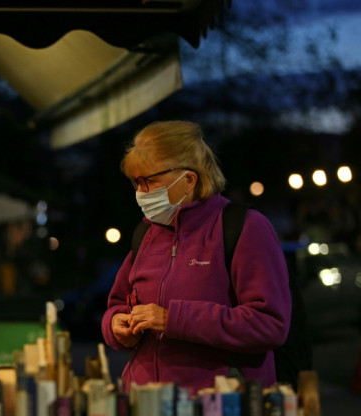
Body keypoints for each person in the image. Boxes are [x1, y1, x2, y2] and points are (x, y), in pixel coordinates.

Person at [101, 120, 291, 393]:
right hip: (144, 404)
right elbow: (117, 305)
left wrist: (173, 319)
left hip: (218, 408)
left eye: (150, 181)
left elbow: (269, 325)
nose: (141, 192)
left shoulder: (245, 227)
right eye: (135, 182)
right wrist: (116, 326)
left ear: (189, 179)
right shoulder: (147, 233)